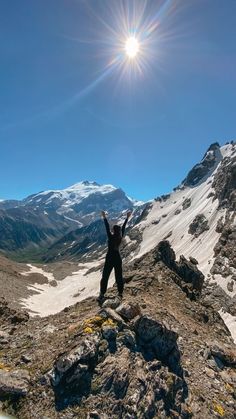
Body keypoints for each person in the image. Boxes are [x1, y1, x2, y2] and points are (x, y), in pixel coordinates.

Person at [97, 210, 132, 303]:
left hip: (109, 258)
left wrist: (104, 217)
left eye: (112, 229)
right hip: (117, 257)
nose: (111, 230)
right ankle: (120, 293)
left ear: (113, 231)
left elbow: (106, 227)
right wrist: (127, 218)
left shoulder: (111, 237)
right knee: (119, 276)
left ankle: (101, 295)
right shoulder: (120, 236)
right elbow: (123, 228)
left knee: (105, 276)